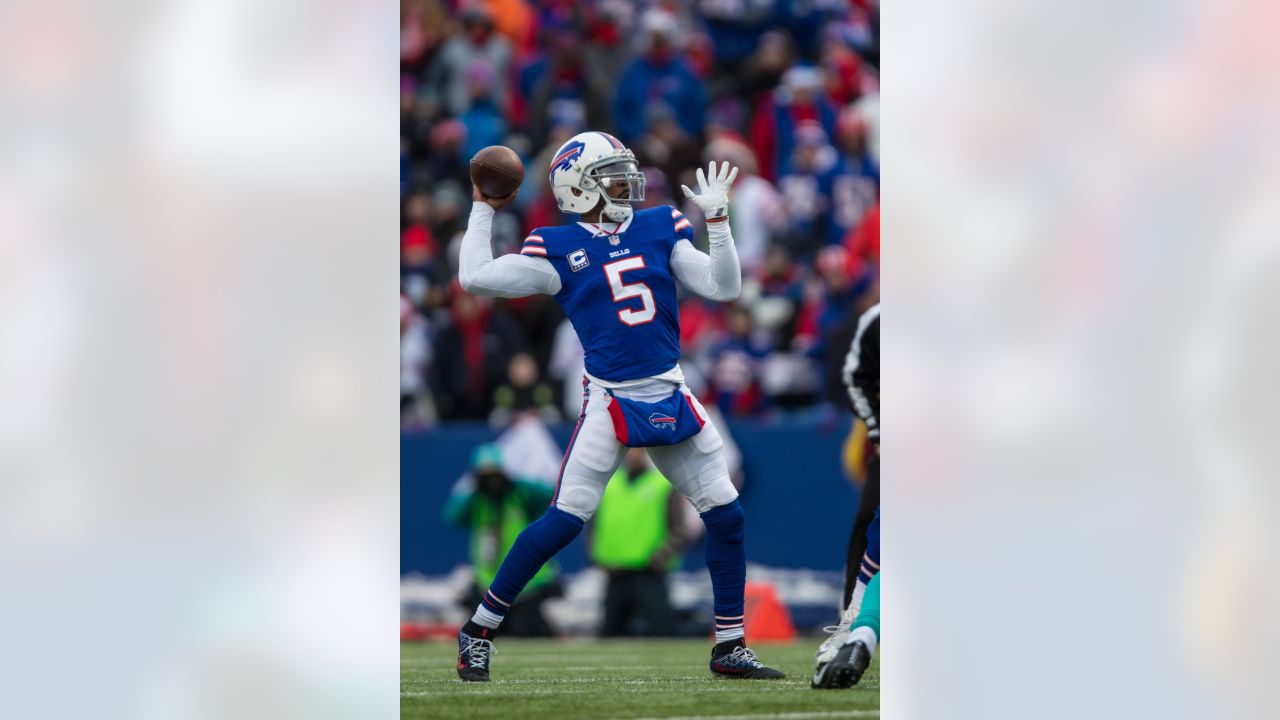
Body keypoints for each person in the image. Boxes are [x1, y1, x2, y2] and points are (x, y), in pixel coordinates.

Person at [453, 130, 784, 681]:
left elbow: (722, 287)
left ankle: (729, 645)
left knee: (727, 515)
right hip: (610, 399)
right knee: (563, 522)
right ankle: (478, 630)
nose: (627, 181)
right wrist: (483, 210)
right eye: (611, 173)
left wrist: (719, 224)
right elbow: (473, 277)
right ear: (579, 189)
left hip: (671, 388)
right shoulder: (556, 247)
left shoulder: (661, 224)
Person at [816, 302, 880, 666]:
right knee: (870, 524)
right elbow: (855, 376)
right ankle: (850, 624)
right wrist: (877, 431)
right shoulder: (878, 322)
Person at [443, 444, 560, 637]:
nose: (492, 482)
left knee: (527, 634)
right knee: (489, 635)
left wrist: (515, 482)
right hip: (487, 578)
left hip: (525, 582)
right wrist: (473, 490)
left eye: (495, 475)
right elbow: (453, 517)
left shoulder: (519, 495)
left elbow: (548, 495)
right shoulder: (477, 501)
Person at [592, 448, 690, 637]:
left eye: (639, 450)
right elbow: (595, 527)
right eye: (630, 450)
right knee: (609, 634)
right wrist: (598, 556)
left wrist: (660, 557)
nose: (634, 455)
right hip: (616, 571)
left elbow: (679, 529)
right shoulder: (610, 485)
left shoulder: (661, 485)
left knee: (663, 630)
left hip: (649, 572)